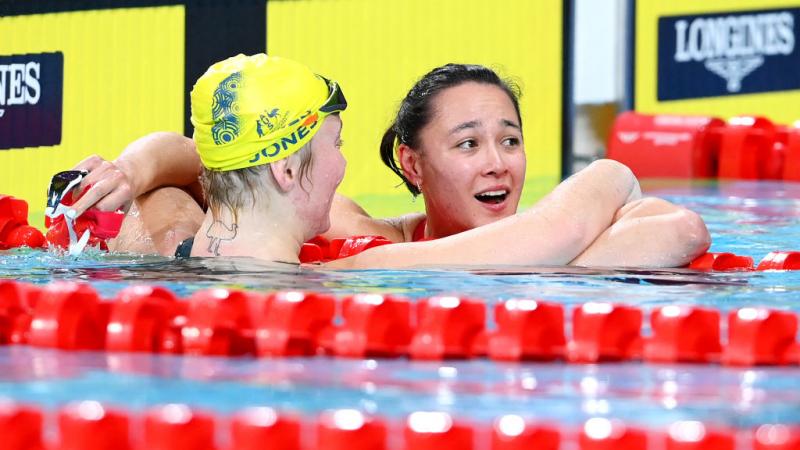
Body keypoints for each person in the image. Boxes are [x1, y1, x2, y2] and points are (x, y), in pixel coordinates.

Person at [64, 57, 710, 267]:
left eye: (510, 140)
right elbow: (673, 229)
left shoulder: (159, 236)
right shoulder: (360, 269)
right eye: (336, 147)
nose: (497, 164)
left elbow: (195, 162)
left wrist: (137, 168)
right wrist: (610, 172)